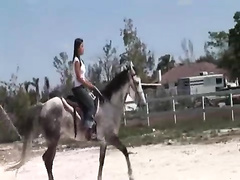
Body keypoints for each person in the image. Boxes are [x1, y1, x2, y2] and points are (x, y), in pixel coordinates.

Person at [71, 38, 101, 140]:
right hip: (78, 88)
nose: (83, 48)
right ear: (78, 48)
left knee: (90, 106)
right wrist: (89, 86)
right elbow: (79, 77)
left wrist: (91, 84)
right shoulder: (76, 61)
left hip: (82, 86)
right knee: (91, 106)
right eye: (82, 46)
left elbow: (83, 78)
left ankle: (88, 130)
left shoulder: (81, 61)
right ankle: (88, 132)